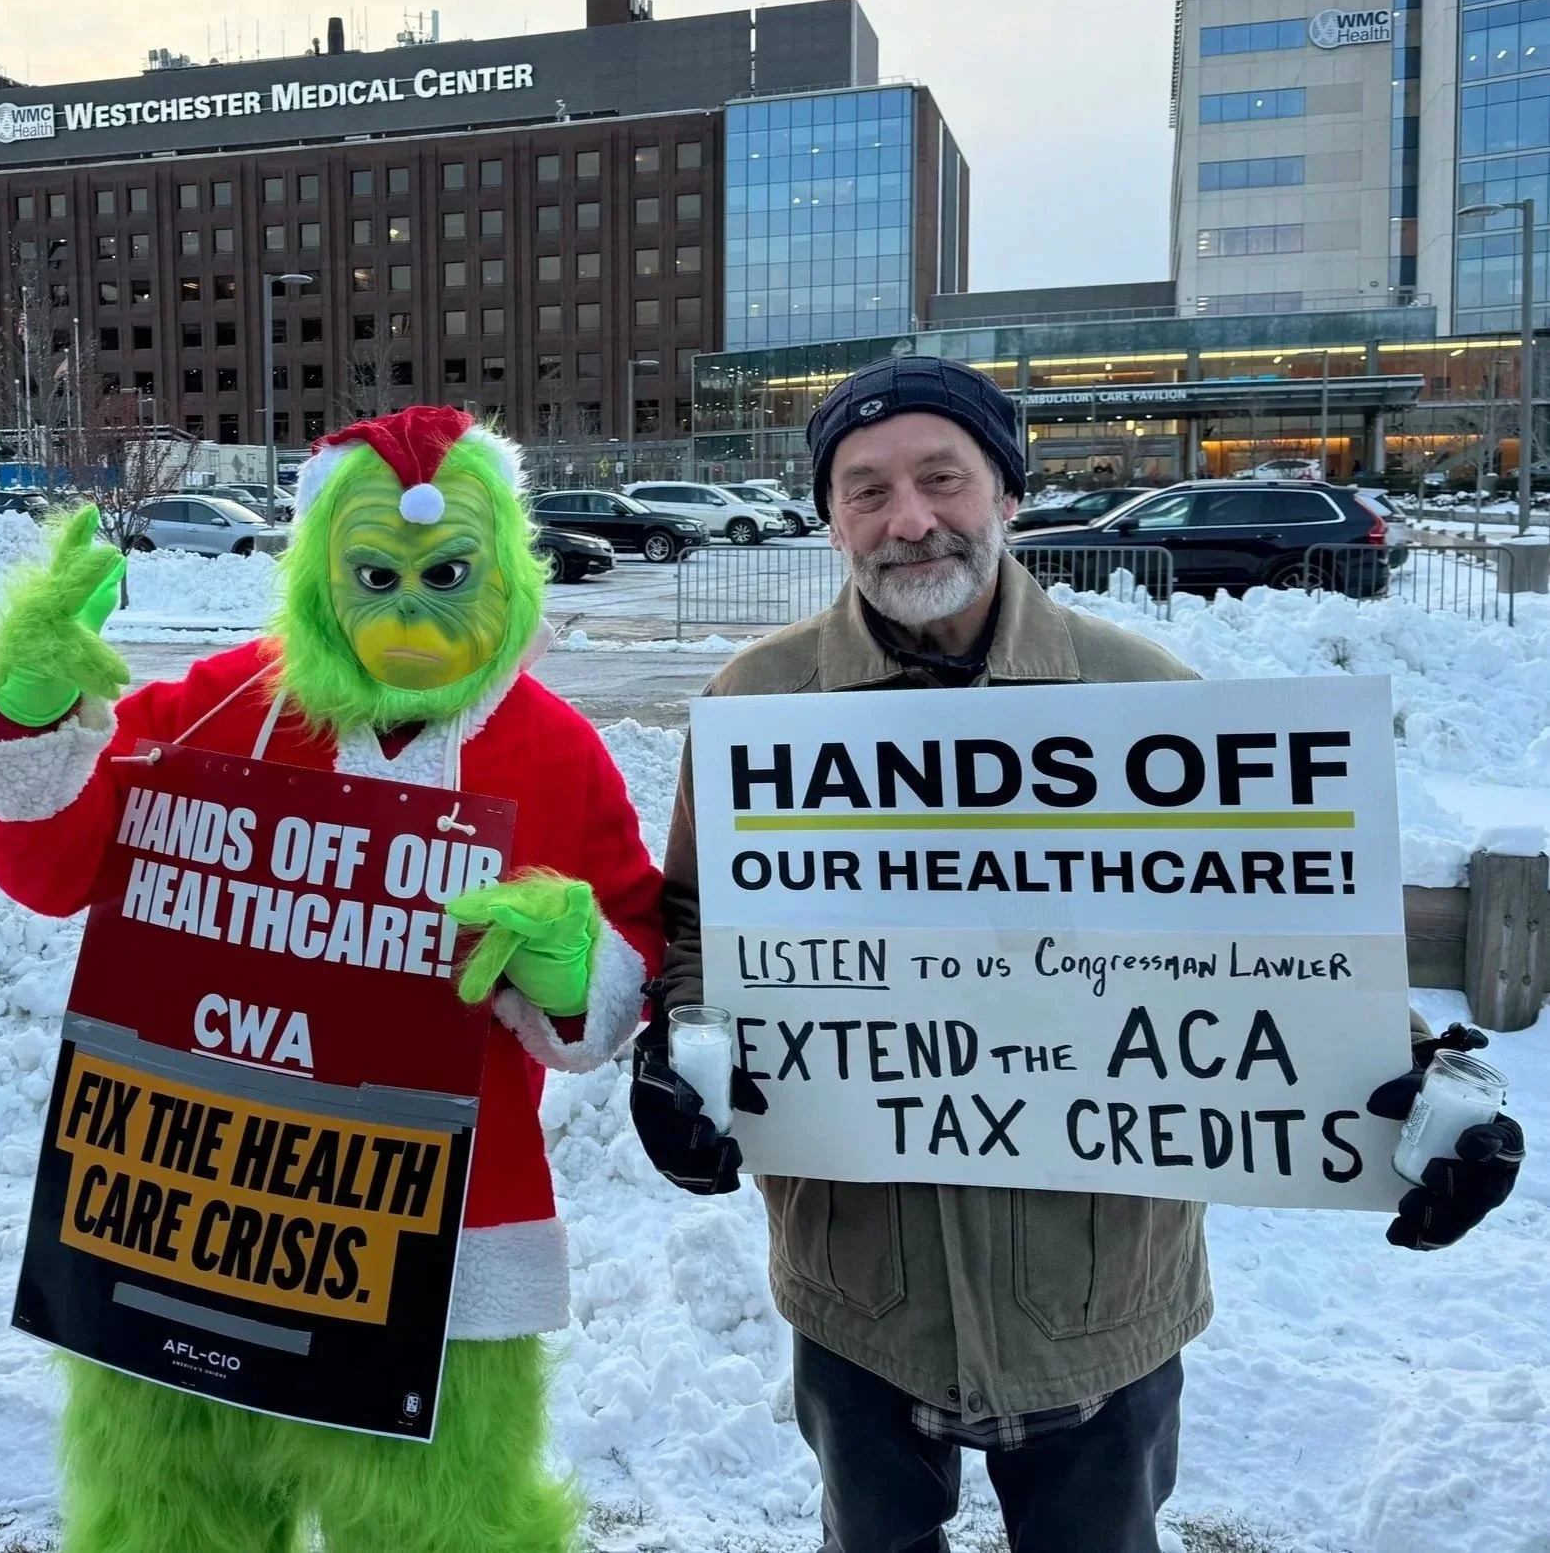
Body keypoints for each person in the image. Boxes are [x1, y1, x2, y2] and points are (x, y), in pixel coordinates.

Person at [630, 356, 1524, 1553]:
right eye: (867, 490)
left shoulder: (1141, 692)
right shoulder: (761, 703)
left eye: (943, 478)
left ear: (1007, 492)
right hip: (861, 1285)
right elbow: (701, 927)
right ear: (829, 516)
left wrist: (1417, 1087)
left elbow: (1271, 928)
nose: (911, 520)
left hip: (1101, 1289)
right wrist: (683, 1055)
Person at [0, 406, 662, 1553]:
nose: (410, 610)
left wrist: (578, 970)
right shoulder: (227, 707)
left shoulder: (554, 751)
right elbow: (54, 859)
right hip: (181, 1218)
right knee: (171, 1515)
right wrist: (31, 709)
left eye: (448, 573)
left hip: (438, 1254)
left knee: (441, 1527)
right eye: (374, 574)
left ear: (505, 565)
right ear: (322, 572)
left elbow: (630, 952)